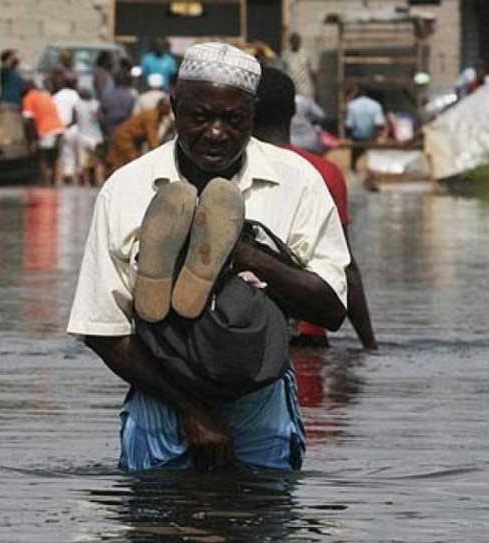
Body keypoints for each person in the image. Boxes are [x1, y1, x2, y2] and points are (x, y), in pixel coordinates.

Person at [68, 43, 351, 471]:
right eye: (200, 118)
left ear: (252, 115)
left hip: (258, 391)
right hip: (164, 392)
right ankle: (178, 273)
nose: (216, 132)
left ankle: (228, 255)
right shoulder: (127, 188)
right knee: (164, 525)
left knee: (250, 522)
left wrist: (242, 255)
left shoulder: (298, 182)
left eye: (232, 120)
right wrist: (191, 411)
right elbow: (102, 329)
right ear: (175, 107)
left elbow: (331, 309)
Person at [253, 67, 377, 350]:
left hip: (243, 332)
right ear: (293, 112)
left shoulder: (230, 168)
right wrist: (369, 344)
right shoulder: (325, 172)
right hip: (309, 335)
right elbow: (346, 266)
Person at [105, 98, 172, 173]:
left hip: (130, 138)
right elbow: (152, 138)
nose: (169, 110)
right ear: (163, 107)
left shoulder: (156, 116)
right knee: (133, 162)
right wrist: (158, 154)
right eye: (168, 107)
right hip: (125, 137)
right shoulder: (152, 116)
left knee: (123, 162)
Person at [22, 80, 66, 186]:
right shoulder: (45, 95)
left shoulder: (28, 98)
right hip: (60, 129)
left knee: (43, 158)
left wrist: (32, 140)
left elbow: (28, 121)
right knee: (55, 157)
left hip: (46, 130)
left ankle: (45, 184)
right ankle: (55, 183)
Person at [50, 72, 81, 183]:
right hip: (73, 128)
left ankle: (59, 181)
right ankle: (76, 182)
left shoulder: (56, 96)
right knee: (76, 156)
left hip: (60, 130)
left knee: (62, 156)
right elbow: (76, 113)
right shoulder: (75, 95)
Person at [74, 87, 105, 186]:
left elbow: (74, 119)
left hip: (82, 135)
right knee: (98, 161)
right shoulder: (96, 104)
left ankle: (87, 182)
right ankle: (99, 181)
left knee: (84, 162)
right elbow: (100, 118)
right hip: (96, 136)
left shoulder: (77, 105)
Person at [100, 70, 136, 140]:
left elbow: (101, 112)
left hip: (110, 129)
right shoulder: (131, 95)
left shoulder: (107, 95)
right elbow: (132, 113)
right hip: (125, 128)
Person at [282, 32, 316, 100]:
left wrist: (316, 90)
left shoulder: (306, 54)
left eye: (297, 40)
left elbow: (312, 73)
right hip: (292, 90)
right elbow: (283, 73)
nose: (295, 42)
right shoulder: (285, 55)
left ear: (299, 41)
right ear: (290, 42)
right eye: (293, 40)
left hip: (305, 91)